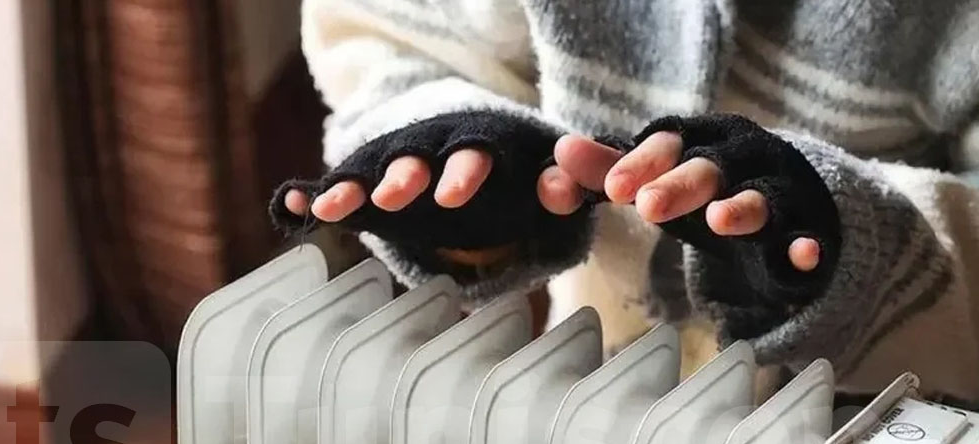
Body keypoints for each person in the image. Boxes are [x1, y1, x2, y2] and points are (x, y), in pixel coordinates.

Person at [273, 0, 979, 403]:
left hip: (878, 423)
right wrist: (463, 157)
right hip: (600, 389)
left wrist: (857, 249)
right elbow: (389, 36)